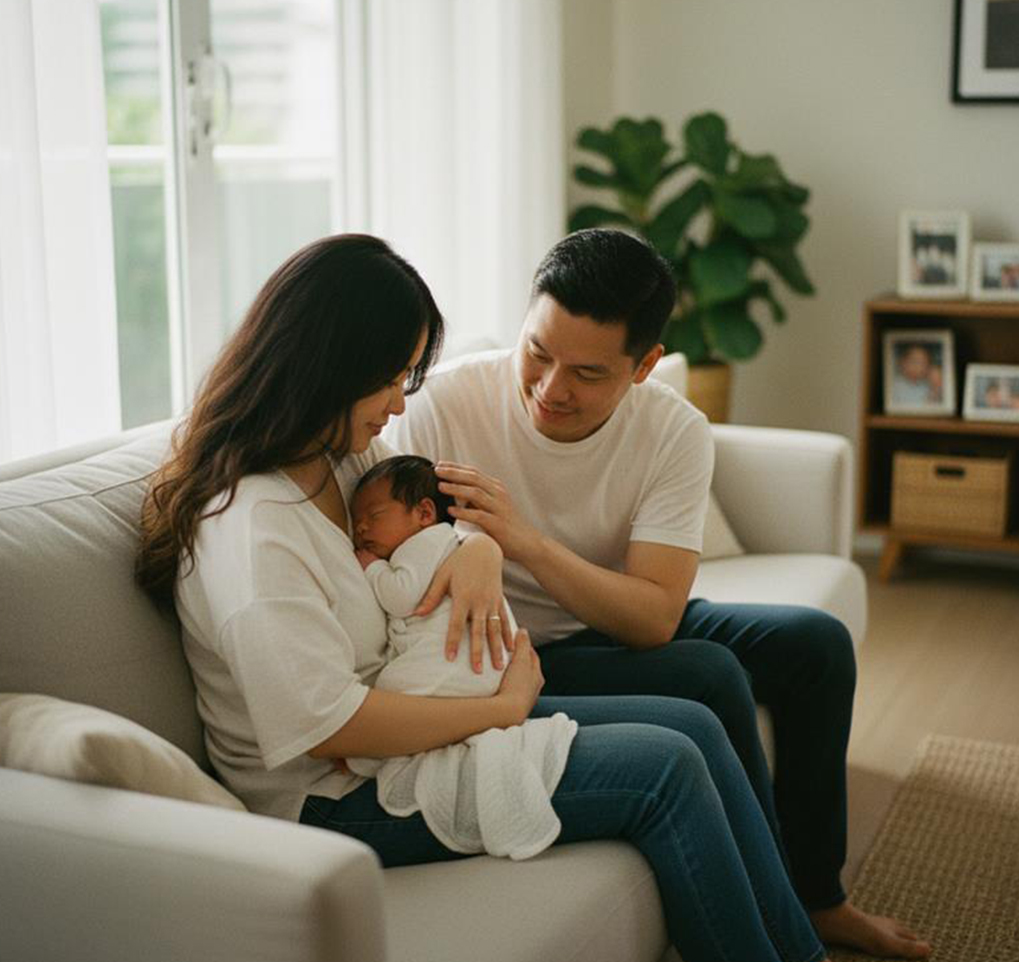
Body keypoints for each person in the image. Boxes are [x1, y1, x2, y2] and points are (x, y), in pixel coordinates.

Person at [137, 232, 833, 962]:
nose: (403, 402)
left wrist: (480, 550)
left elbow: (433, 524)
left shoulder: (345, 459)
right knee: (666, 768)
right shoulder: (253, 529)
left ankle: (799, 945)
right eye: (392, 379)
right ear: (328, 369)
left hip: (412, 727)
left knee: (695, 724)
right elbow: (327, 727)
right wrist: (500, 710)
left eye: (410, 375)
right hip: (331, 800)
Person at [388, 228, 931, 960]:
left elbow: (652, 618)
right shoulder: (444, 408)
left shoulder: (674, 431)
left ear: (644, 366)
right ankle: (773, 910)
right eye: (538, 353)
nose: (551, 389)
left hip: (610, 619)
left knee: (816, 645)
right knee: (707, 673)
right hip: (519, 652)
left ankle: (820, 896)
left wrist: (525, 542)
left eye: (586, 372)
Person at [347, 454, 578, 860]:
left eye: (373, 515)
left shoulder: (421, 545)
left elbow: (401, 597)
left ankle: (362, 758)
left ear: (423, 513)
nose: (361, 527)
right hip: (483, 675)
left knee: (398, 689)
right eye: (357, 519)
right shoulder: (436, 541)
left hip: (454, 667)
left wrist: (371, 569)